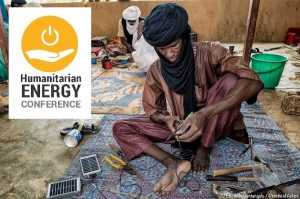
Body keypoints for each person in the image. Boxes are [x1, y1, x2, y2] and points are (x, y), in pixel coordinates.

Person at [113, 3, 263, 196]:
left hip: (215, 122)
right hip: (183, 126)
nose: (169, 54)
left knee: (231, 81)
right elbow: (151, 109)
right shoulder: (157, 70)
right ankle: (172, 162)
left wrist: (204, 114)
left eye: (174, 45)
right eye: (162, 49)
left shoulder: (211, 52)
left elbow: (253, 82)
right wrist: (167, 119)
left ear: (185, 37)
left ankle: (204, 147)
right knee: (121, 127)